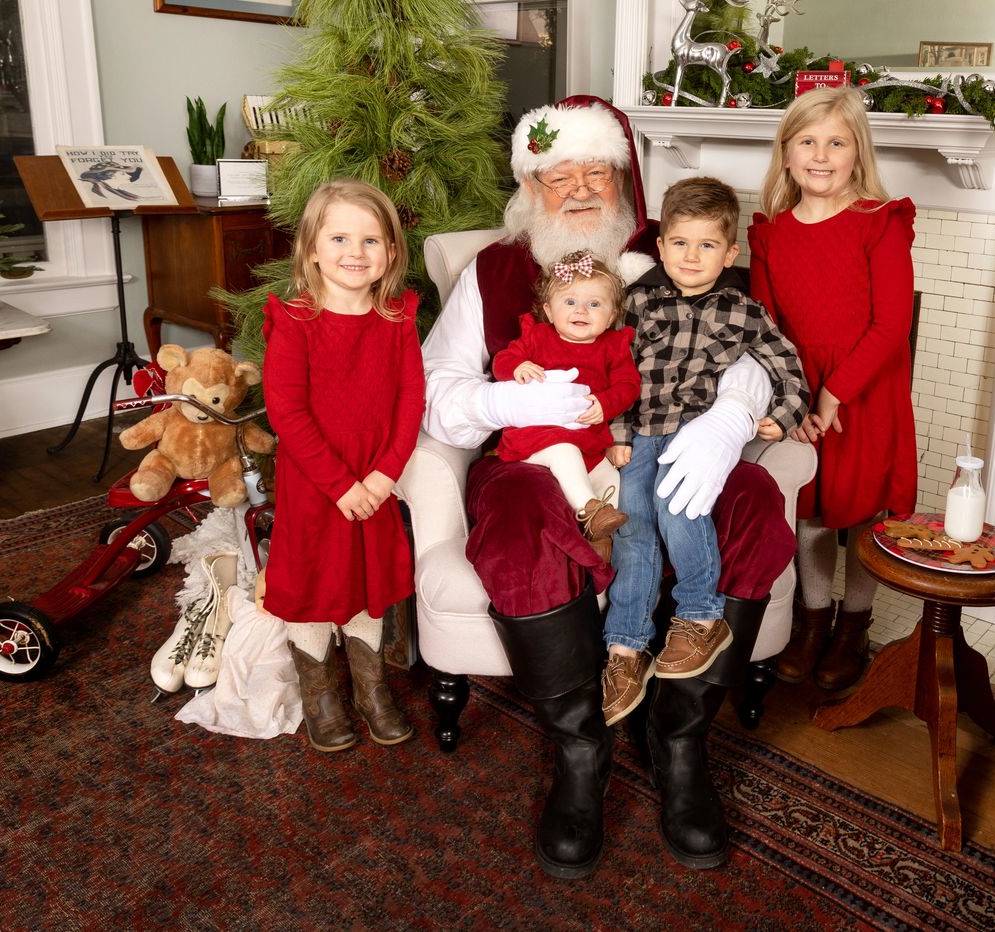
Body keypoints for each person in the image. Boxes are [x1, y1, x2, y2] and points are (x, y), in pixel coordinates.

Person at [421, 97, 796, 879]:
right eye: (563, 175)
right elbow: (438, 391)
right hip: (527, 462)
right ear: (531, 185)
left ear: (624, 182)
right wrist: (508, 400)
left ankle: (679, 739)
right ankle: (581, 749)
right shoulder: (493, 271)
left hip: (654, 453)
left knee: (755, 504)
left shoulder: (673, 258)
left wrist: (731, 415)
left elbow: (752, 345)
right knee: (520, 518)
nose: (583, 189)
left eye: (599, 171)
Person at [601, 177, 809, 726]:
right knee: (633, 522)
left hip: (695, 434)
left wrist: (779, 419)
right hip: (642, 431)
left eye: (708, 245)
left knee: (679, 510)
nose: (691, 256)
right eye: (680, 243)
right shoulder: (638, 302)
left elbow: (790, 372)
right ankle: (626, 649)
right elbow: (615, 375)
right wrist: (619, 436)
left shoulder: (746, 312)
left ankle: (700, 616)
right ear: (661, 245)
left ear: (730, 252)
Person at [749, 86, 918, 691]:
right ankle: (813, 621)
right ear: (788, 153)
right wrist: (793, 399)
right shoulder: (770, 234)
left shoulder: (880, 223)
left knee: (862, 512)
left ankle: (855, 625)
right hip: (803, 391)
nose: (821, 155)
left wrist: (834, 393)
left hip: (865, 390)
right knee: (813, 511)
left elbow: (891, 325)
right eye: (808, 141)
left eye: (837, 142)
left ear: (857, 153)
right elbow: (767, 331)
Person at [261, 178, 424, 753]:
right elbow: (286, 410)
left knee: (366, 583)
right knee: (314, 581)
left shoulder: (398, 316)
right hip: (315, 481)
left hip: (375, 478)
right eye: (339, 238)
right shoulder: (295, 319)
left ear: (391, 253)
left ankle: (371, 689)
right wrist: (338, 484)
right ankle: (320, 694)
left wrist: (382, 477)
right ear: (311, 249)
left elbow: (411, 402)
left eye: (371, 240)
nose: (355, 252)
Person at [491, 250, 640, 555]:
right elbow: (502, 361)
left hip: (591, 445)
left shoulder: (612, 346)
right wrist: (517, 367)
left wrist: (606, 401)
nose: (581, 310)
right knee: (565, 452)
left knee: (612, 480)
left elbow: (629, 385)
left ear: (611, 316)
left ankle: (599, 537)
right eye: (570, 302)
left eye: (594, 304)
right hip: (539, 441)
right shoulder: (538, 338)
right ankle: (590, 510)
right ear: (549, 310)